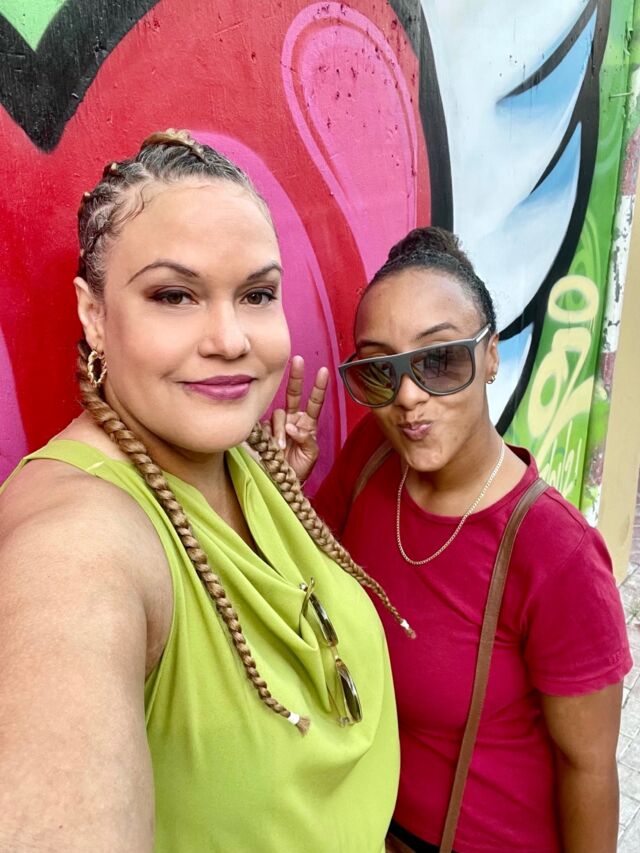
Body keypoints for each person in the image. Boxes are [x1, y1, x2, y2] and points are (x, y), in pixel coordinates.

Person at [0, 130, 413, 853]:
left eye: (256, 294)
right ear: (94, 314)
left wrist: (279, 483)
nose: (230, 339)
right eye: (174, 295)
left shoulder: (240, 459)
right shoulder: (74, 545)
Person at [276, 227, 632, 852]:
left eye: (440, 360)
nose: (408, 397)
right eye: (380, 370)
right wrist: (284, 492)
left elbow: (589, 769)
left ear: (490, 356)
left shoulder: (556, 554)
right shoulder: (372, 457)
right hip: (363, 825)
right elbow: (306, 581)